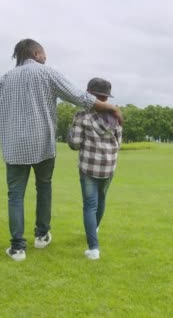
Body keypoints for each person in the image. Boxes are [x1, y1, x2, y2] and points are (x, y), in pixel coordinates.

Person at [0, 39, 123, 262]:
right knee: (43, 188)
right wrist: (111, 106)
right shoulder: (47, 73)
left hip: (14, 148)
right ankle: (42, 235)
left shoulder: (3, 79)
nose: (45, 57)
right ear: (36, 53)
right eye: (43, 54)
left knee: (15, 196)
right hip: (44, 145)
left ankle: (17, 249)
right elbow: (80, 97)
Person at [68, 77, 122, 260]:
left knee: (90, 205)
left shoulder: (82, 115)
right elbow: (118, 143)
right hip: (109, 166)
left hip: (88, 166)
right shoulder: (116, 115)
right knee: (101, 199)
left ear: (90, 94)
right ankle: (94, 230)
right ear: (106, 97)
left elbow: (74, 143)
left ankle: (93, 248)